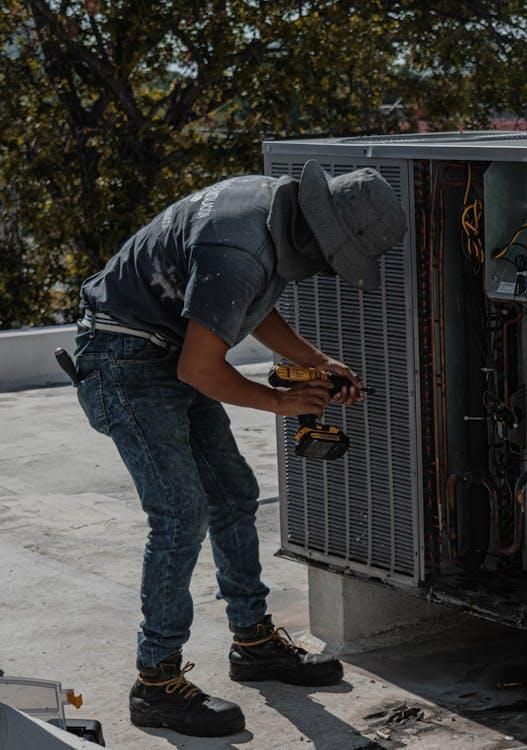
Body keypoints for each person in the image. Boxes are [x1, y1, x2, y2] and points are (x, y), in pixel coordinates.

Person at [72, 161, 407, 737]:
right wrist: (281, 403)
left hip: (159, 349)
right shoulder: (240, 247)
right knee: (180, 514)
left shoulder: (267, 207)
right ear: (319, 235)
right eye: (332, 260)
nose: (326, 271)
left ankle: (253, 644)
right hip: (122, 362)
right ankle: (155, 684)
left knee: (233, 494)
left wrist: (315, 362)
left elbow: (244, 304)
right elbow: (200, 367)